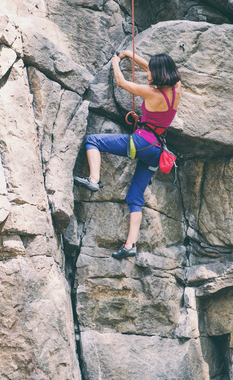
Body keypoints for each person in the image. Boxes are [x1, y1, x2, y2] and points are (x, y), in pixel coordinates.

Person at [74, 51, 181, 259]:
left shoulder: (151, 92)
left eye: (151, 72)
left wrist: (116, 62)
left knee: (92, 141)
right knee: (135, 197)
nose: (147, 74)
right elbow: (152, 69)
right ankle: (130, 245)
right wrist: (130, 55)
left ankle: (94, 179)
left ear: (158, 74)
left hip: (141, 143)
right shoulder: (177, 90)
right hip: (156, 152)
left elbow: (122, 83)